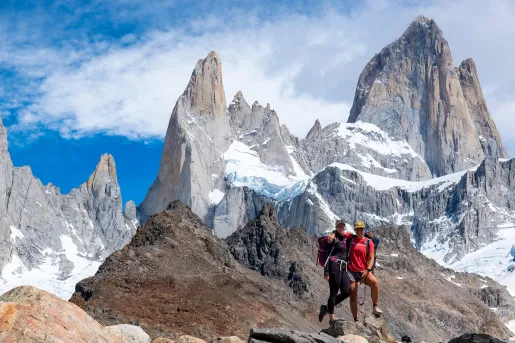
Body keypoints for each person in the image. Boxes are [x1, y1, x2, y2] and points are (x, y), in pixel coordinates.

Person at [343, 221, 382, 321]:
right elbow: (340, 231)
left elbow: (371, 257)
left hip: (363, 271)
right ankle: (355, 318)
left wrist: (367, 270)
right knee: (352, 292)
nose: (359, 231)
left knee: (375, 283)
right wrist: (332, 234)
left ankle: (375, 307)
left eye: (361, 229)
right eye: (357, 229)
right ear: (355, 229)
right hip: (351, 270)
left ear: (364, 229)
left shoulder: (369, 242)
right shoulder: (351, 238)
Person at [318, 219, 351, 323]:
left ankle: (326, 308)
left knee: (346, 291)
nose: (341, 228)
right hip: (333, 267)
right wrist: (326, 272)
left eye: (343, 226)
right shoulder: (332, 239)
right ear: (336, 227)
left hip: (343, 267)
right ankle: (331, 317)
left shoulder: (345, 238)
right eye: (339, 226)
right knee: (334, 292)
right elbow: (327, 255)